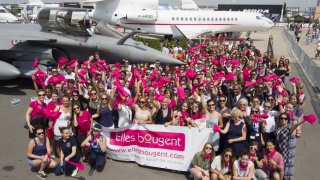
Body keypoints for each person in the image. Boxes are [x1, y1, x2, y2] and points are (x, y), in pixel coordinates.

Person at [275, 112, 306, 180]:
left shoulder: (289, 127)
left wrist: (304, 119)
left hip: (285, 150)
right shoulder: (278, 127)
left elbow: (297, 124)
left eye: (285, 118)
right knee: (278, 167)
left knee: (284, 167)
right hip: (277, 149)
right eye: (281, 118)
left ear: (288, 120)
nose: (283, 120)